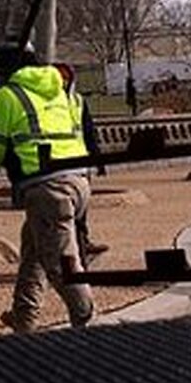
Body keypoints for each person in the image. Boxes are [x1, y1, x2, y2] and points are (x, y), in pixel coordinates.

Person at [0, 38, 95, 333]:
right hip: (78, 181)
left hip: (47, 189)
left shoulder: (9, 95)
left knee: (60, 265)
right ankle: (24, 321)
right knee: (33, 254)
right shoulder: (63, 89)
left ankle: (86, 318)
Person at [52, 62, 110, 267]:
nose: (63, 82)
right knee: (64, 216)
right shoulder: (48, 104)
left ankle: (82, 243)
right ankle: (71, 257)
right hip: (59, 166)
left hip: (80, 164)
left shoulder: (77, 102)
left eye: (66, 79)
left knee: (80, 214)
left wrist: (98, 160)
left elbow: (89, 133)